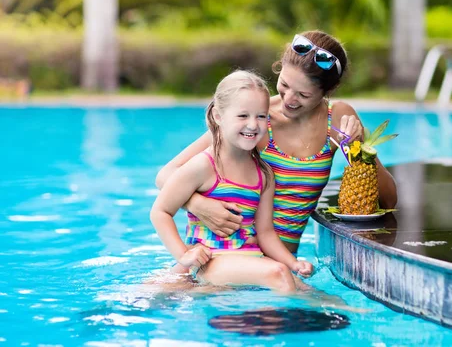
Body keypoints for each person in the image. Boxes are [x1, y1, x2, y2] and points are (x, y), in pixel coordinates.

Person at [156, 30, 398, 254]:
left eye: (303, 95)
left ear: (328, 90)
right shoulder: (256, 119)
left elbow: (389, 200)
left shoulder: (337, 118)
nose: (289, 100)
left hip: (283, 261)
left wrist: (359, 152)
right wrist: (198, 205)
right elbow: (166, 174)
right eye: (284, 85)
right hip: (231, 255)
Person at [150, 70, 313, 293]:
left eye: (261, 116)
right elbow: (160, 211)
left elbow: (265, 233)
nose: (253, 125)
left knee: (307, 290)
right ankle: (285, 326)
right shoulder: (204, 166)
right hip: (212, 260)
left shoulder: (263, 174)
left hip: (249, 258)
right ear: (218, 116)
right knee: (279, 275)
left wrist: (293, 263)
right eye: (243, 116)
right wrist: (184, 255)